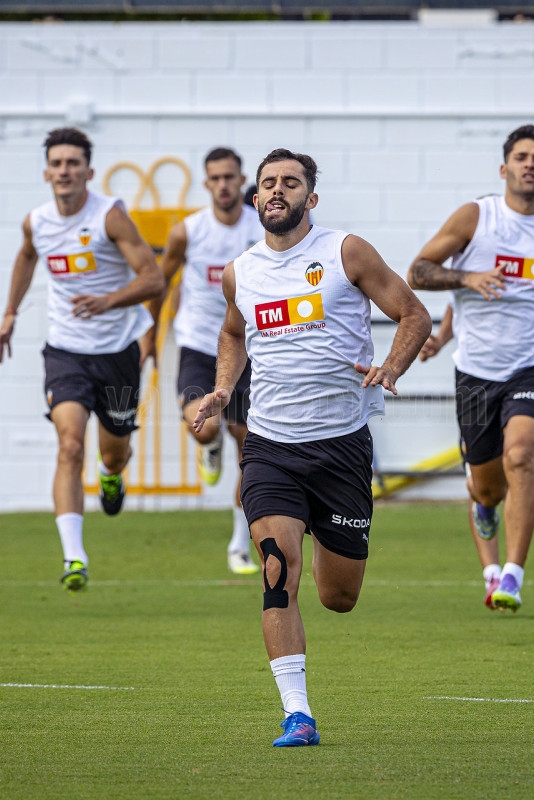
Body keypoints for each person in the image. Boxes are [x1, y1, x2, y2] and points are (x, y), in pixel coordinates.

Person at [193, 148, 429, 747]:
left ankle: (327, 534)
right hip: (271, 446)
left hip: (342, 447)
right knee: (276, 568)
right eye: (268, 183)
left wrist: (392, 366)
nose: (278, 191)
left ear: (310, 198)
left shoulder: (345, 251)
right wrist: (224, 389)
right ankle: (297, 713)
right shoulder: (239, 272)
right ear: (255, 199)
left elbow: (414, 315)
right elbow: (230, 331)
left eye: (290, 183)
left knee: (339, 596)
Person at [408, 124, 534, 612]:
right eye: (521, 156)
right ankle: (484, 506)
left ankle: (511, 575)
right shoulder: (476, 217)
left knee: (521, 456)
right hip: (475, 370)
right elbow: (419, 270)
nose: (530, 164)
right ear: (504, 167)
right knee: (486, 485)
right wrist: (467, 276)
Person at [0, 127, 164, 592]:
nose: (64, 171)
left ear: (88, 171)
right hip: (66, 351)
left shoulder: (110, 216)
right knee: (69, 444)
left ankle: (111, 477)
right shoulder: (37, 222)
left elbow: (154, 281)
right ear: (46, 171)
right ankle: (74, 556)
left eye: (73, 163)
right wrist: (10, 313)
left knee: (114, 451)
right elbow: (26, 257)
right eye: (57, 163)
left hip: (118, 353)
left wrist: (108, 301)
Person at [146, 147, 263, 575]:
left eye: (230, 177)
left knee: (252, 451)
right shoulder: (188, 231)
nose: (224, 185)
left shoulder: (259, 228)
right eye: (215, 178)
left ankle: (239, 544)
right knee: (206, 426)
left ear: (241, 178)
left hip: (250, 346)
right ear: (206, 183)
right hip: (199, 344)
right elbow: (160, 284)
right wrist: (149, 337)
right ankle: (208, 446)